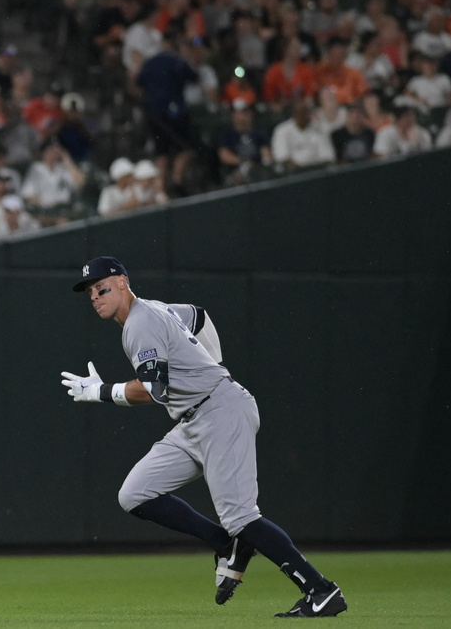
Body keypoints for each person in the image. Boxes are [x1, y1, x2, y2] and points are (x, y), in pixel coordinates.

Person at [61, 256, 348, 618]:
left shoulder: (139, 321)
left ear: (122, 282)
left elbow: (153, 390)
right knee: (135, 494)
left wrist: (102, 391)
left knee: (243, 516)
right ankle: (226, 545)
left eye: (101, 287)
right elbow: (198, 316)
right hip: (194, 417)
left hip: (218, 411)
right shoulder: (155, 309)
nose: (96, 296)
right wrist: (211, 364)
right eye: (89, 293)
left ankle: (321, 591)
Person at [135, 29, 199, 195]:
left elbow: (137, 84)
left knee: (161, 152)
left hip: (154, 115)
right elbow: (195, 77)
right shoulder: (177, 61)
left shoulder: (149, 63)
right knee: (184, 149)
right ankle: (177, 182)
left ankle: (160, 189)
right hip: (176, 113)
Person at [20, 138, 85, 226]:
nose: (54, 153)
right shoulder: (37, 168)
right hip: (48, 211)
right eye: (50, 150)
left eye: (56, 150)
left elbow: (81, 182)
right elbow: (27, 195)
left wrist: (67, 161)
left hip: (66, 208)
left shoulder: (62, 168)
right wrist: (45, 204)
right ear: (43, 152)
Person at [217, 100, 272, 185]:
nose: (243, 117)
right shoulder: (227, 134)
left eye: (246, 113)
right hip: (234, 171)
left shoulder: (258, 133)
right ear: (233, 116)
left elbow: (265, 152)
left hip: (257, 170)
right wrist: (243, 162)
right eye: (240, 113)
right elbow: (224, 155)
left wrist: (266, 164)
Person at [271, 101, 336, 170]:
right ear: (295, 114)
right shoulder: (282, 130)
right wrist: (300, 169)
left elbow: (328, 157)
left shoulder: (319, 130)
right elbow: (282, 157)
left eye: (308, 113)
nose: (306, 116)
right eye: (302, 114)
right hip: (292, 173)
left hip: (317, 171)